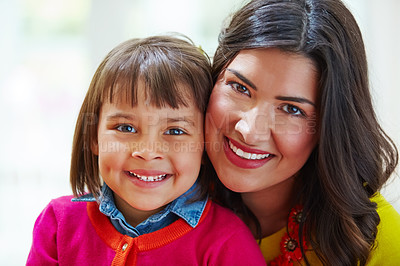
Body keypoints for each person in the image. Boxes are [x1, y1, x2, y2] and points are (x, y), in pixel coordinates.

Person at [27, 35, 266, 265]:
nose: (148, 151)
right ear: (93, 137)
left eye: (174, 131)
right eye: (126, 127)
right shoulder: (58, 223)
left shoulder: (228, 242)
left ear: (204, 146)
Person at [205, 0, 400, 265]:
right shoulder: (152, 189)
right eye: (240, 88)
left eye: (290, 109)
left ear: (329, 127)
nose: (249, 131)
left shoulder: (378, 240)